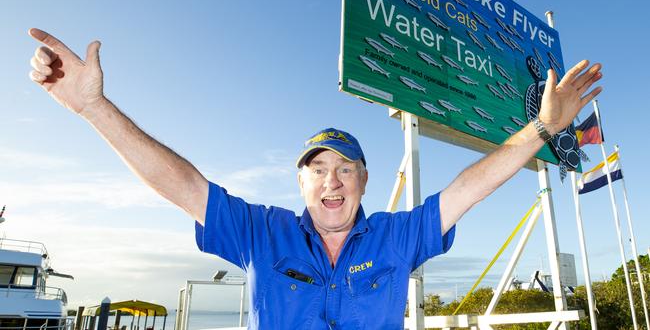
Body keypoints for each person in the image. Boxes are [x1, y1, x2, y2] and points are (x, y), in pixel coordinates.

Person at [28, 28, 602, 329]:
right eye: (319, 171)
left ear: (364, 179)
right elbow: (179, 183)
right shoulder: (261, 233)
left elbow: (470, 187)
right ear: (301, 184)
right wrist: (92, 108)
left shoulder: (396, 239)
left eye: (344, 169)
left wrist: (541, 131)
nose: (332, 182)